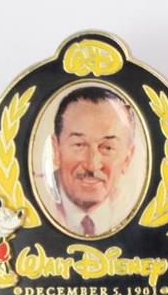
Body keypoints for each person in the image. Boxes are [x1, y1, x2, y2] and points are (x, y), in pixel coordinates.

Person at [49, 85, 137, 237]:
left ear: (127, 159)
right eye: (79, 145)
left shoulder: (134, 209)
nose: (92, 165)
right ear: (56, 149)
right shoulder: (35, 204)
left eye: (107, 148)